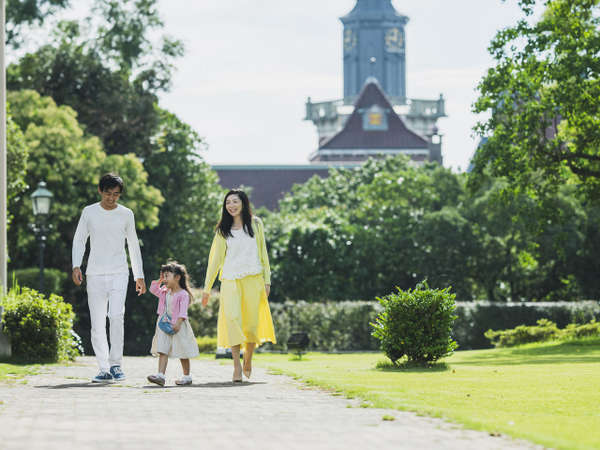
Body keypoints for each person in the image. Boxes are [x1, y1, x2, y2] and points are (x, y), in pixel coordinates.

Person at [72, 173, 146, 383]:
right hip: (94, 273)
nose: (112, 198)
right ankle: (103, 368)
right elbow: (79, 240)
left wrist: (138, 276)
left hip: (119, 273)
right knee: (97, 323)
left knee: (116, 317)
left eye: (116, 194)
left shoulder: (126, 214)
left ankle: (116, 365)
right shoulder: (89, 212)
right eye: (108, 193)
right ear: (100, 191)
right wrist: (76, 265)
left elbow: (133, 244)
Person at [201, 189, 276, 382]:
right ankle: (236, 366)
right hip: (230, 281)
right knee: (233, 320)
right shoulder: (222, 230)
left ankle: (248, 360)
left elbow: (263, 254)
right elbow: (214, 261)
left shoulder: (256, 224)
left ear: (243, 203)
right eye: (228, 203)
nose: (231, 206)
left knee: (251, 324)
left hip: (254, 279)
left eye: (235, 201)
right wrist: (207, 289)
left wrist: (267, 280)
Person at [147, 262, 199, 387]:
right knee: (163, 349)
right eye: (163, 276)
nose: (165, 279)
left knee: (183, 351)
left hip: (178, 326)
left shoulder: (183, 294)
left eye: (167, 276)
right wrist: (159, 280)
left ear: (177, 277)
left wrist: (179, 323)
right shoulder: (164, 291)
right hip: (164, 325)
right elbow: (153, 289)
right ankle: (160, 376)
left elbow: (183, 311)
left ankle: (187, 377)